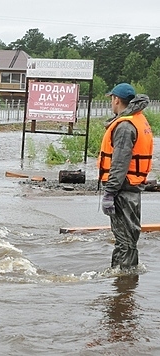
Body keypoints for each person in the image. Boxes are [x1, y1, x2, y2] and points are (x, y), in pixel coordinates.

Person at [98, 83, 153, 270]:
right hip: (133, 187)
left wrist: (109, 193)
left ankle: (123, 284)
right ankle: (127, 283)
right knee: (129, 237)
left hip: (122, 188)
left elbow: (119, 163)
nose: (111, 103)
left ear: (117, 100)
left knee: (124, 239)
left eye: (111, 99)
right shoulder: (138, 119)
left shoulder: (125, 126)